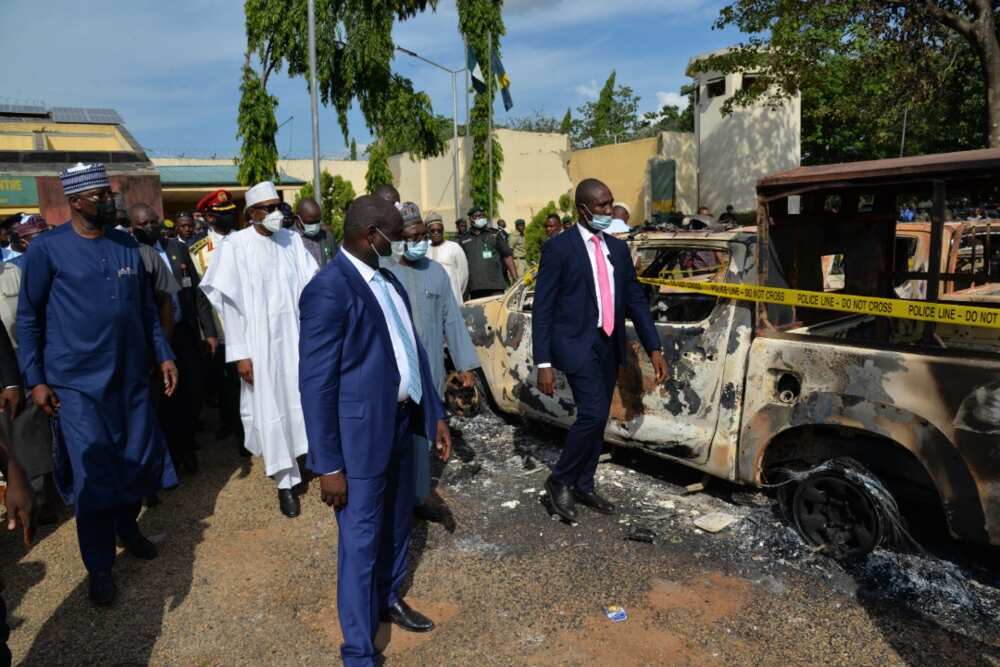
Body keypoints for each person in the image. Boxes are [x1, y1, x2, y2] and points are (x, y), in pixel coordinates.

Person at [299, 194, 451, 666]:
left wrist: (435, 415)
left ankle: (389, 598)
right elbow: (316, 384)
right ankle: (359, 651)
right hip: (359, 441)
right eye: (395, 235)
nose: (403, 241)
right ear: (371, 235)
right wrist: (328, 464)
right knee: (361, 543)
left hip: (403, 424)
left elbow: (414, 353)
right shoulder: (329, 289)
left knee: (398, 524)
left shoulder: (388, 282)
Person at [17, 163, 178, 606]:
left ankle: (129, 528)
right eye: (100, 196)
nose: (110, 201)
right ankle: (100, 565)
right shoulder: (47, 251)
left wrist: (163, 353)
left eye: (109, 195)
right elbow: (28, 319)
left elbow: (147, 311)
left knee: (133, 460)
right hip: (76, 386)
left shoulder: (126, 245)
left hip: (130, 380)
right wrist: (35, 380)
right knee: (93, 475)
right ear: (75, 202)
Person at [532, 177, 667, 523]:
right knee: (592, 414)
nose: (609, 210)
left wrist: (654, 347)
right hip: (576, 346)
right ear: (583, 209)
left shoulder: (617, 249)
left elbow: (635, 300)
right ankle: (559, 478)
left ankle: (584, 482)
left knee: (598, 417)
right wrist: (543, 361)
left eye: (610, 203)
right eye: (602, 205)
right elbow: (543, 308)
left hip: (609, 345)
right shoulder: (559, 248)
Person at [200, 181, 318, 517]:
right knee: (272, 406)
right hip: (260, 346)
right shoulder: (236, 245)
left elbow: (313, 285)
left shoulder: (292, 241)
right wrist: (240, 354)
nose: (277, 213)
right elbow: (228, 305)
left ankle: (309, 458)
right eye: (268, 208)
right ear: (252, 213)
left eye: (278, 206)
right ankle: (285, 482)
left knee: (302, 401)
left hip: (296, 340)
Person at [384, 203, 479, 508]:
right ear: (399, 238)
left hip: (432, 369)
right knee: (394, 435)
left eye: (423, 235)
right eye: (413, 237)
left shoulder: (436, 272)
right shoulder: (384, 272)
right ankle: (393, 496)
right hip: (395, 371)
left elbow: (452, 318)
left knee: (425, 434)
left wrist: (465, 365)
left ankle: (419, 497)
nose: (420, 242)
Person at [129, 203, 218, 473]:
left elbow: (197, 294)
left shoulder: (177, 249)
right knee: (165, 400)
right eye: (142, 224)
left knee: (193, 392)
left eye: (152, 222)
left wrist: (209, 331)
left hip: (184, 332)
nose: (149, 228)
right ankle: (171, 455)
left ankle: (188, 447)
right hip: (154, 340)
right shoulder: (132, 255)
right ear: (133, 227)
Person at [189, 189, 243, 447]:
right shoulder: (198, 251)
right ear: (210, 218)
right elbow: (200, 296)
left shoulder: (245, 242)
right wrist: (208, 331)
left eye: (231, 213)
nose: (230, 218)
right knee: (226, 381)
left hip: (246, 322)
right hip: (220, 326)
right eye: (224, 215)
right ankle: (229, 422)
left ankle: (248, 429)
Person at [459, 206, 517, 299]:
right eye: (477, 216)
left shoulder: (495, 234)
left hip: (496, 286)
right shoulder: (464, 239)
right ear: (471, 218)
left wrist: (515, 278)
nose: (480, 218)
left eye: (482, 216)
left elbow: (507, 256)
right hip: (475, 288)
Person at [426, 213, 469, 304]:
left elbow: (463, 274)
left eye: (439, 230)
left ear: (443, 230)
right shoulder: (425, 251)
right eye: (433, 231)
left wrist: (455, 290)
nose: (436, 233)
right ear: (428, 232)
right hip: (432, 301)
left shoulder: (454, 247)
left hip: (452, 299)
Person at [295, 197, 337, 267]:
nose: (314, 226)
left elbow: (336, 261)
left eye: (317, 221)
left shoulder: (327, 236)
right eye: (310, 222)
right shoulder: (290, 240)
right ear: (298, 219)